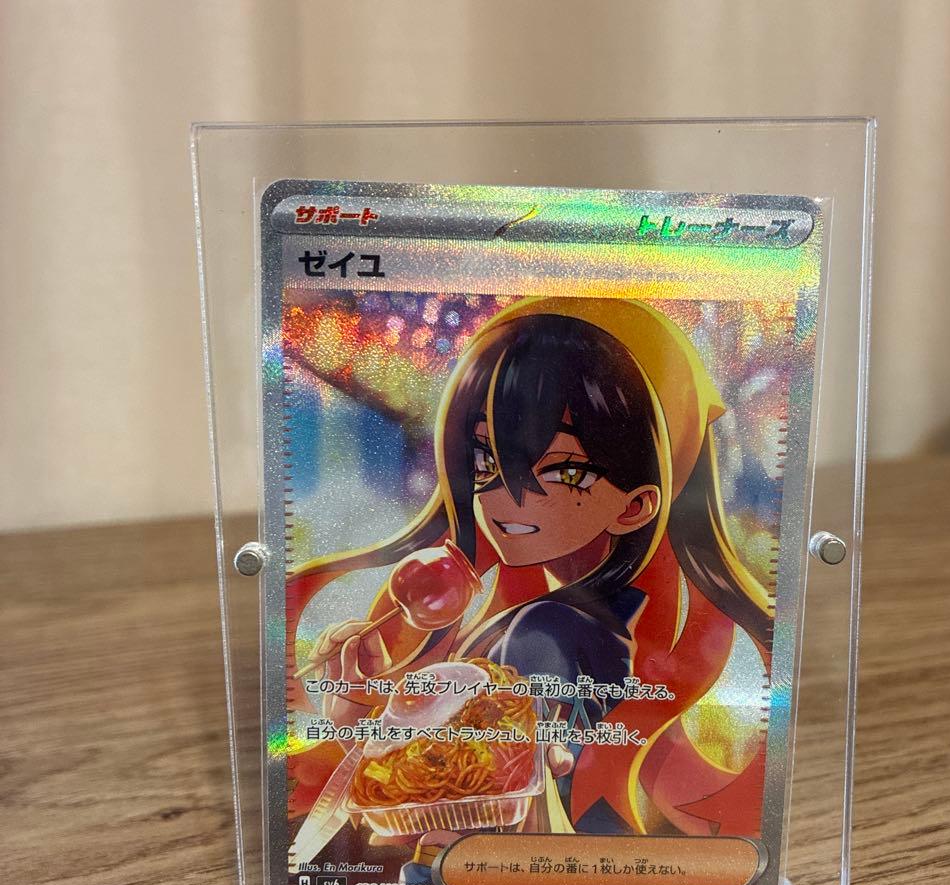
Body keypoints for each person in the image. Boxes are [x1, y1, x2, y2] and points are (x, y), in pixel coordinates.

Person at [288, 297, 773, 845]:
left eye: (565, 471)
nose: (508, 499)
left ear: (636, 504)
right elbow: (441, 778)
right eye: (485, 462)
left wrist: (362, 719)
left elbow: (475, 787)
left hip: (494, 863)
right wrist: (361, 710)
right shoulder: (551, 622)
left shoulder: (550, 631)